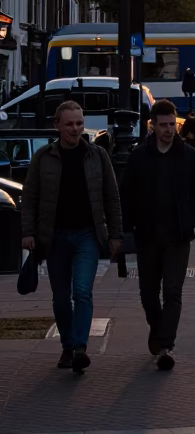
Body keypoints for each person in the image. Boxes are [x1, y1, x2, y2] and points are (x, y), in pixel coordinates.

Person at [21, 100, 123, 374]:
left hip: (87, 235)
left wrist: (115, 235)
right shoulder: (44, 158)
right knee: (60, 297)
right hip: (54, 237)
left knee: (82, 292)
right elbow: (30, 197)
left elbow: (112, 197)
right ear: (57, 126)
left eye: (79, 123)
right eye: (69, 124)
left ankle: (79, 347)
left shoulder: (97, 155)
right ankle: (67, 345)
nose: (75, 129)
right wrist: (28, 232)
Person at [122, 98, 195, 370]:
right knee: (148, 293)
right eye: (164, 125)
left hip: (178, 236)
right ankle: (158, 329)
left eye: (173, 124)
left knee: (172, 290)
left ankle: (166, 346)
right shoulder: (139, 156)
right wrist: (127, 227)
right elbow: (126, 194)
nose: (169, 130)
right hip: (147, 235)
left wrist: (190, 221)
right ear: (153, 126)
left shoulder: (188, 155)